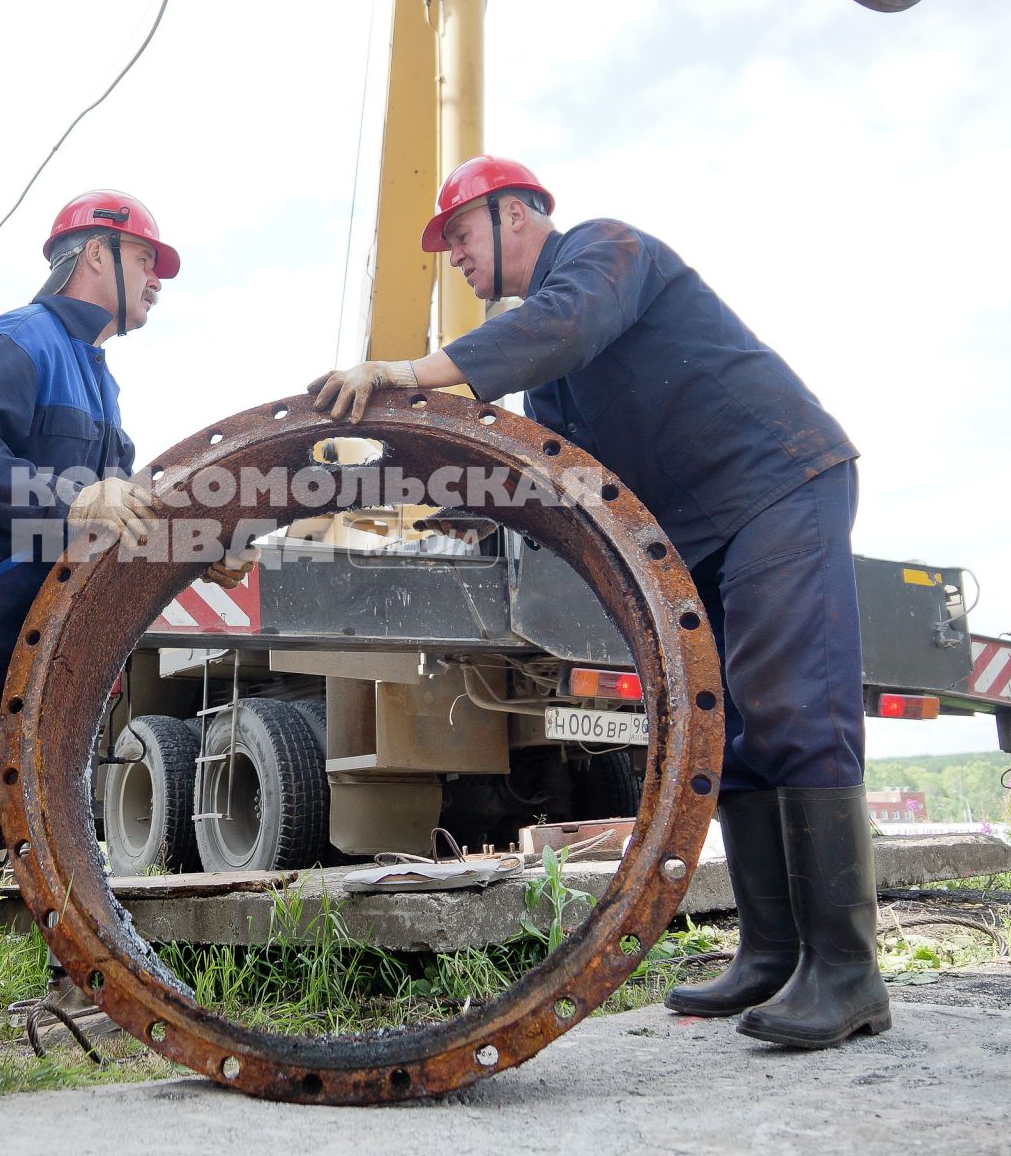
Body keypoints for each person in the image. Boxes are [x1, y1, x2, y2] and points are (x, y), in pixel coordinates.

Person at [308, 155, 889, 1050]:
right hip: (700, 532)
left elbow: (565, 323)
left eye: (458, 233)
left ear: (519, 212)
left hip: (778, 485)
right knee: (725, 726)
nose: (453, 257)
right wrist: (434, 497)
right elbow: (557, 477)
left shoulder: (607, 254)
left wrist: (417, 371)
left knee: (792, 709)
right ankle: (774, 951)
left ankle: (847, 974)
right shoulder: (547, 380)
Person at [0, 191, 247, 1097]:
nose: (157, 281)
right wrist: (70, 498)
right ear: (92, 255)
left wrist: (203, 550)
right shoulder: (16, 342)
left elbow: (121, 517)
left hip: (20, 663)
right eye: (147, 260)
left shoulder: (97, 380)